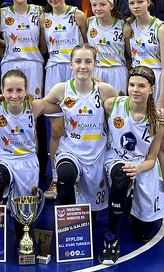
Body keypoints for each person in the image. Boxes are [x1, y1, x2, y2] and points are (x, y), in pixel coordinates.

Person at [36, 45, 118, 212]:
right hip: (70, 150)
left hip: (97, 152)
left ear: (95, 64)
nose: (83, 66)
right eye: (78, 61)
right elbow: (42, 105)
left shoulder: (105, 90)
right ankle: (68, 220)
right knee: (65, 177)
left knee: (92, 214)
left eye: (88, 61)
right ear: (71, 64)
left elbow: (122, 114)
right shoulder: (61, 89)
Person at [99, 66, 164, 265]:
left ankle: (130, 202)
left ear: (151, 89)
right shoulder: (113, 105)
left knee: (143, 235)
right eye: (132, 85)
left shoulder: (158, 119)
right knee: (121, 178)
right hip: (116, 158)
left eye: (141, 86)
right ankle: (111, 238)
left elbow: (152, 158)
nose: (135, 90)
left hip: (143, 165)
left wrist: (138, 169)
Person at [0, 69, 59, 215]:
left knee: (24, 216)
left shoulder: (35, 106)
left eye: (19, 90)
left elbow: (63, 105)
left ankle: (22, 225)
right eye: (9, 90)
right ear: (2, 91)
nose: (14, 95)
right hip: (3, 157)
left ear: (26, 90)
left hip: (27, 161)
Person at [42, 0, 87, 199]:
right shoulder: (43, 18)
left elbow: (88, 45)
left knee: (79, 126)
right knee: (58, 130)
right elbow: (43, 47)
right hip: (53, 71)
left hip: (75, 71)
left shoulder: (78, 15)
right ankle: (56, 178)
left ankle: (79, 176)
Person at [0, 0, 48, 177]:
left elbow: (43, 43)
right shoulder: (2, 13)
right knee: (11, 110)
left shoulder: (39, 11)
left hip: (33, 64)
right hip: (10, 64)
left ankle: (38, 164)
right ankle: (9, 158)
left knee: (34, 111)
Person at [126, 0, 164, 193]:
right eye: (131, 3)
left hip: (159, 84)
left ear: (148, 2)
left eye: (140, 1)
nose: (136, 6)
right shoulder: (128, 26)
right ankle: (138, 182)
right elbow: (129, 58)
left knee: (162, 140)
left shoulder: (160, 27)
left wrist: (161, 97)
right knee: (137, 136)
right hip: (138, 83)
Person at [87, 0, 130, 94]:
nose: (98, 8)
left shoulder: (123, 26)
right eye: (94, 5)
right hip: (96, 71)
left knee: (117, 103)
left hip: (117, 71)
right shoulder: (89, 22)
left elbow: (130, 54)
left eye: (102, 4)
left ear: (111, 5)